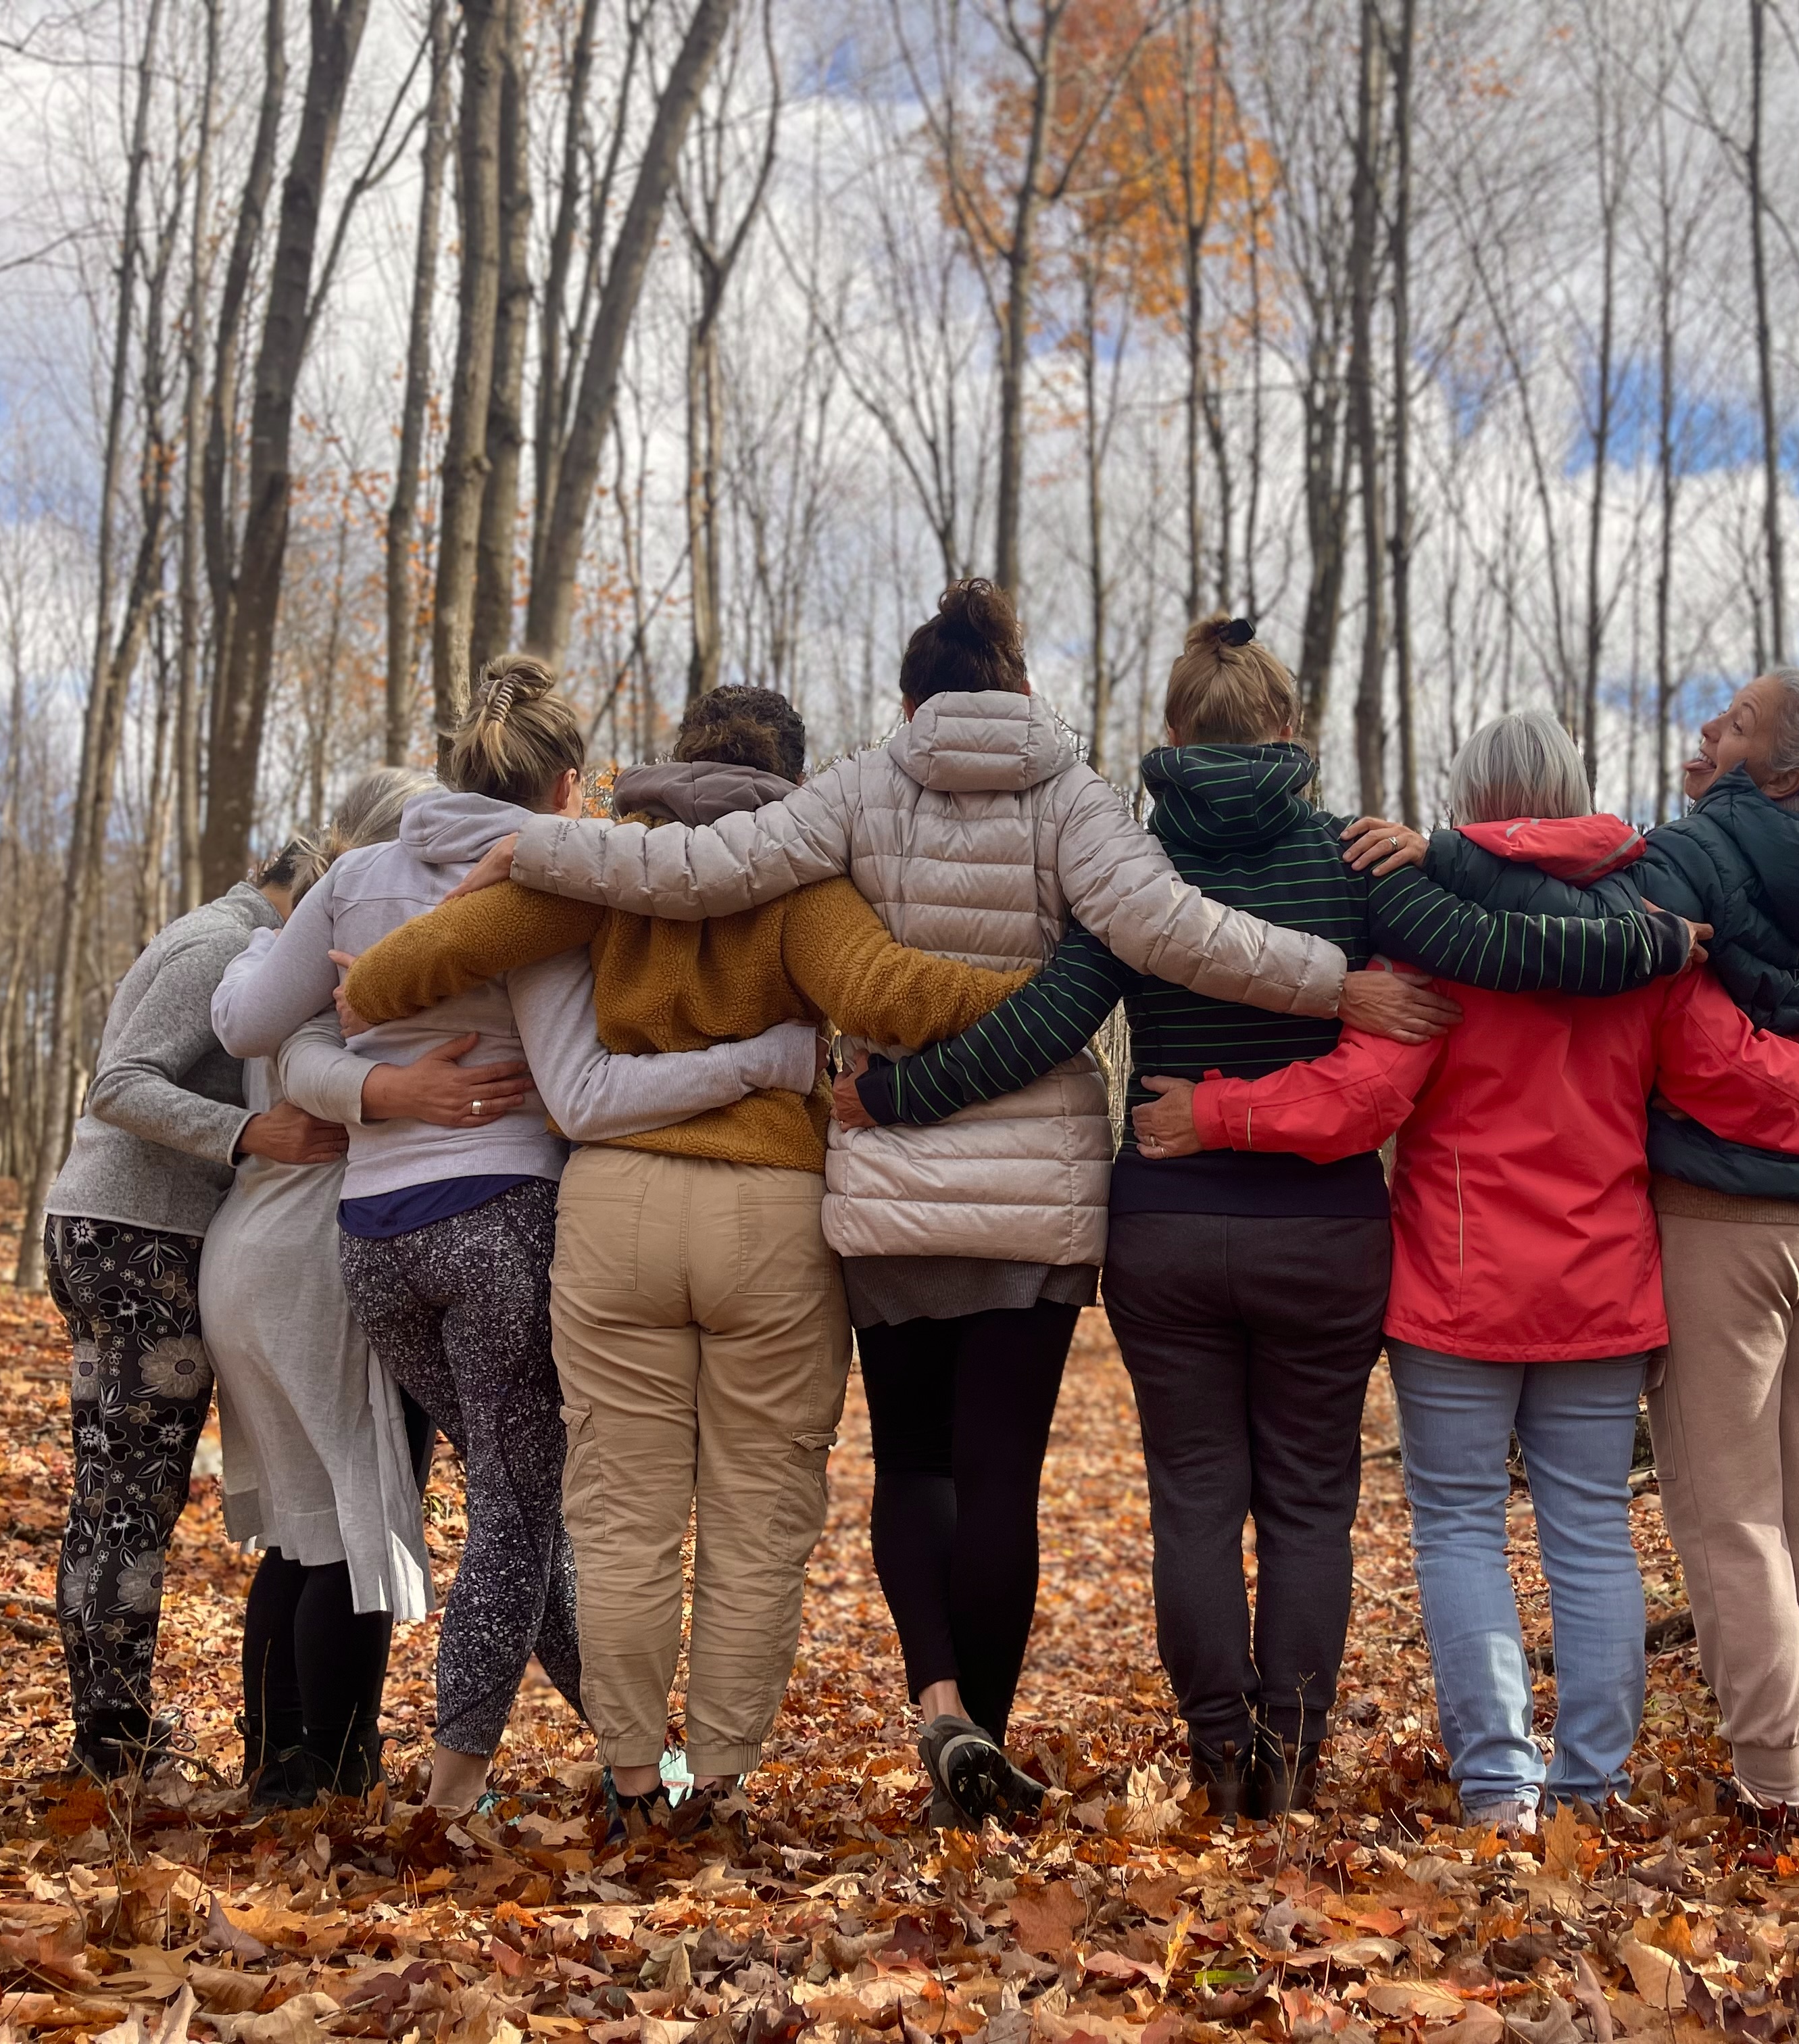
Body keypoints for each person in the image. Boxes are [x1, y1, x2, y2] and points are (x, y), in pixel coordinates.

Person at [435, 583, 1452, 1824]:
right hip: (1037, 1197)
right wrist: (1333, 986)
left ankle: (929, 1711)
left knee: (912, 1466)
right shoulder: (1076, 798)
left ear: (912, 701)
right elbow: (1170, 931)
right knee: (1002, 1482)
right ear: (1021, 692)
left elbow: (704, 867)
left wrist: (547, 844)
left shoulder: (865, 786)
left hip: (891, 1180)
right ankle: (988, 1747)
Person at [835, 625, 1690, 1819]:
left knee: (1195, 1495)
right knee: (1307, 1501)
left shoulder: (1131, 863)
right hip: (1325, 1233)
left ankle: (1218, 1747)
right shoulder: (1358, 861)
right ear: (1291, 733)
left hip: (1168, 1228)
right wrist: (1657, 936)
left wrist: (891, 1094)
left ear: (1175, 735)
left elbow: (1047, 1022)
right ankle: (1291, 1751)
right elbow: (1498, 954)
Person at [1123, 706, 1799, 1834]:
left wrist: (1216, 1111)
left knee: (1461, 1531)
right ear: (1577, 789)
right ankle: (1594, 1784)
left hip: (1455, 1288)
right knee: (1588, 1530)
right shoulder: (1645, 932)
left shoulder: (1436, 925)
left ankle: (1500, 1793)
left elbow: (1361, 1100)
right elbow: (1741, 1076)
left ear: (1466, 801)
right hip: (1601, 1284)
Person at [336, 685, 1039, 1836]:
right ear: (798, 778)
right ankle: (712, 1782)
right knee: (760, 1508)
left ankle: (628, 1780)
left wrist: (369, 986)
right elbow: (890, 995)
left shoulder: (611, 864)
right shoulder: (802, 882)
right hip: (771, 1219)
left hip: (616, 1215)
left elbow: (433, 955)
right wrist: (1048, 994)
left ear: (668, 762)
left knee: (619, 1509)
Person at [211, 656, 805, 1810]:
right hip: (500, 1229)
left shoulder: (358, 878)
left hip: (375, 1246)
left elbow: (249, 1024)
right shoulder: (545, 893)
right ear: (571, 785)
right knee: (522, 1514)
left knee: (517, 1504)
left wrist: (341, 1028)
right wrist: (759, 1063)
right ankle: (452, 1788)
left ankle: (643, 1757)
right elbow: (582, 1097)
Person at [41, 849, 349, 1781]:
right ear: (302, 883)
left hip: (119, 1232)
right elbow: (120, 1082)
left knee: (112, 1500)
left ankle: (109, 1735)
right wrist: (250, 1133)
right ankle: (117, 1751)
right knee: (132, 1501)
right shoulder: (224, 945)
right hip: (139, 1238)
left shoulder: (223, 935)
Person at [203, 767, 445, 1810]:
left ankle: (280, 1760)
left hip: (246, 1244)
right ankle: (332, 1769)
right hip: (314, 1246)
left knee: (304, 1525)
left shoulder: (267, 953)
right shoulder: (368, 953)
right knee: (356, 1524)